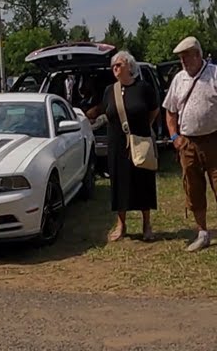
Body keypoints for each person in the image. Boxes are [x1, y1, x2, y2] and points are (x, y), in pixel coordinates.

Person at [85, 51, 158, 241]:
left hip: (139, 141)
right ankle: (121, 225)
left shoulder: (144, 88)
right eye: (113, 66)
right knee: (119, 183)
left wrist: (144, 128)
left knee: (143, 181)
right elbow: (107, 111)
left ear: (129, 66)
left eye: (118, 65)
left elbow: (154, 110)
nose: (114, 68)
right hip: (116, 144)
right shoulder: (110, 90)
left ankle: (146, 225)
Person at [164, 36, 217, 252]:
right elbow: (170, 111)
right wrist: (175, 137)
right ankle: (202, 233)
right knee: (193, 189)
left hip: (214, 140)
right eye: (181, 58)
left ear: (198, 55)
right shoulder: (178, 79)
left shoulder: (214, 74)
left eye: (186, 57)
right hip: (188, 144)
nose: (183, 62)